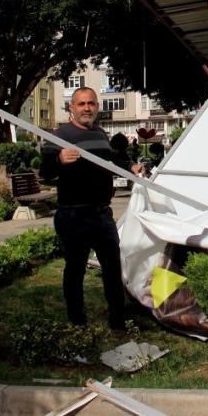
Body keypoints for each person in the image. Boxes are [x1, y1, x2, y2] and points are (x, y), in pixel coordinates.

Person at [40, 87, 144, 329]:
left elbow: (110, 159)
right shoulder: (61, 134)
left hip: (101, 214)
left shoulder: (99, 132)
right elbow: (45, 171)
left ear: (97, 107)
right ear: (72, 108)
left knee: (112, 267)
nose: (87, 108)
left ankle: (117, 318)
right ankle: (77, 319)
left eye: (91, 104)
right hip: (73, 215)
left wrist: (130, 167)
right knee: (75, 269)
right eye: (81, 104)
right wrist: (59, 160)